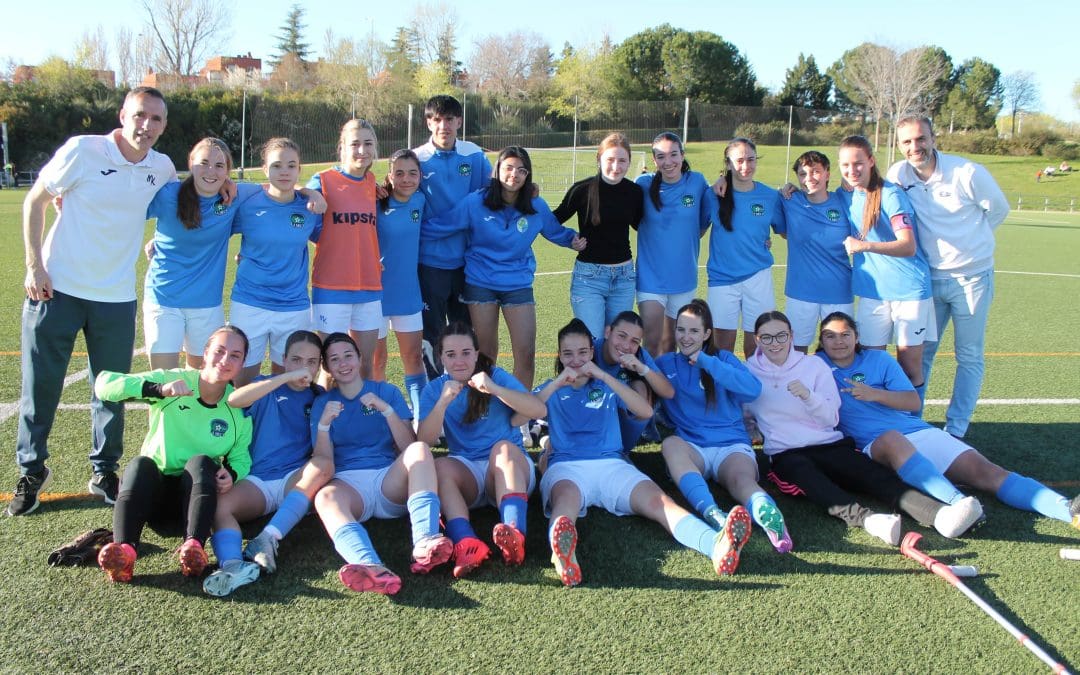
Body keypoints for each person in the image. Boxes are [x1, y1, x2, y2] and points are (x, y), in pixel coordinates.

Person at [10, 86, 177, 517]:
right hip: (56, 288)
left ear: (163, 125)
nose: (147, 126)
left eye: (156, 119)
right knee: (40, 386)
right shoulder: (83, 151)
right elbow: (35, 201)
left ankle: (104, 470)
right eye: (140, 115)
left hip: (116, 297)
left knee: (112, 391)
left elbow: (181, 205)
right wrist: (34, 267)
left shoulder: (161, 167)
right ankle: (32, 470)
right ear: (123, 114)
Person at [536, 318, 752, 586]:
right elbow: (526, 410)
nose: (576, 360)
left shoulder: (607, 384)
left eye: (583, 352)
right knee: (565, 501)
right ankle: (562, 555)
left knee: (660, 503)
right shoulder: (549, 387)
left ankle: (715, 546)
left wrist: (603, 375)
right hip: (567, 466)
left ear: (592, 352)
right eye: (568, 354)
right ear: (559, 355)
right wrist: (558, 382)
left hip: (612, 465)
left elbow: (645, 411)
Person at [817, 312, 1079, 529]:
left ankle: (1067, 510)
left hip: (918, 432)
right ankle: (960, 505)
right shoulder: (814, 366)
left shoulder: (878, 359)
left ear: (856, 337)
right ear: (821, 340)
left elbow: (912, 402)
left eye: (845, 334)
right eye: (830, 336)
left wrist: (875, 394)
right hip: (877, 444)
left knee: (988, 473)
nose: (838, 341)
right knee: (892, 439)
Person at [745, 311, 984, 544]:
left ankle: (940, 515)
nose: (774, 343)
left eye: (781, 336)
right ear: (757, 339)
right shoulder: (747, 372)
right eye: (766, 337)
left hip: (829, 443)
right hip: (786, 454)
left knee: (876, 477)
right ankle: (869, 521)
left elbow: (830, 419)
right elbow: (742, 413)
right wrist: (751, 428)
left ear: (792, 336)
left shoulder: (814, 366)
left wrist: (809, 397)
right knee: (816, 483)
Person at [94, 326, 253, 583]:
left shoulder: (237, 409)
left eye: (235, 355)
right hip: (152, 499)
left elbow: (241, 458)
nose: (225, 360)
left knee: (202, 462)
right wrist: (158, 389)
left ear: (243, 363)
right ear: (205, 352)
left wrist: (232, 474)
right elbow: (104, 385)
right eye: (219, 351)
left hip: (194, 505)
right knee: (140, 465)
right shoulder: (174, 379)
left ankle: (194, 548)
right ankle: (125, 552)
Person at [886, 116, 1010, 438]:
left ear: (933, 138)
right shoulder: (898, 174)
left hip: (972, 279)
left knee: (968, 355)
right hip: (928, 280)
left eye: (921, 139)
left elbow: (998, 210)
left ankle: (956, 429)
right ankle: (914, 422)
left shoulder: (966, 173)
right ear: (900, 146)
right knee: (921, 354)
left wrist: (972, 244)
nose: (915, 147)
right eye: (907, 142)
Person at [310, 333, 452, 595]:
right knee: (324, 497)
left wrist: (386, 410)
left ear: (360, 358)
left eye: (348, 356)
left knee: (420, 450)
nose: (343, 364)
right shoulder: (322, 403)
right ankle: (369, 564)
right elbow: (323, 460)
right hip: (349, 485)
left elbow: (408, 445)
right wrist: (323, 425)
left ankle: (425, 541)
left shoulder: (385, 391)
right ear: (327, 367)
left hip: (388, 480)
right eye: (334, 359)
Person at [440, 146, 584, 399]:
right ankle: (483, 409)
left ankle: (521, 416)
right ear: (497, 171)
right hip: (480, 283)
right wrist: (405, 235)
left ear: (527, 175)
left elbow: (555, 231)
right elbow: (443, 225)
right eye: (508, 168)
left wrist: (573, 240)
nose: (514, 175)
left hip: (517, 284)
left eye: (521, 170)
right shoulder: (476, 201)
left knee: (525, 352)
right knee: (485, 353)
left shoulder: (535, 204)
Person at [657, 299, 792, 553]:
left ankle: (770, 518)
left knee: (742, 481)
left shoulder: (724, 359)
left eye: (694, 331)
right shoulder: (666, 364)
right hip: (692, 448)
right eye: (681, 330)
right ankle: (714, 515)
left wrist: (706, 362)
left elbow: (752, 390)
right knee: (670, 444)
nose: (686, 337)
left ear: (707, 333)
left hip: (731, 447)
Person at [203, 330, 331, 597]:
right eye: (296, 360)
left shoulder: (320, 396)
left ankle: (267, 538)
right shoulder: (266, 385)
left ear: (319, 366)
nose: (303, 368)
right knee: (220, 505)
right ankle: (232, 564)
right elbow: (234, 399)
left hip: (295, 480)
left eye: (311, 362)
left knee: (322, 467)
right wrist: (285, 378)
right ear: (284, 359)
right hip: (257, 482)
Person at [417, 322, 547, 577]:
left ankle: (514, 532)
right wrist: (442, 403)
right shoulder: (435, 389)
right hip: (469, 474)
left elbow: (539, 410)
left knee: (503, 449)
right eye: (451, 355)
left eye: (466, 352)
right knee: (439, 465)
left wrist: (495, 390)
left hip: (510, 470)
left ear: (476, 354)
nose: (459, 361)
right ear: (440, 357)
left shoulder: (494, 375)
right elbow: (424, 441)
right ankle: (466, 541)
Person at [836, 135, 933, 404]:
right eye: (845, 165)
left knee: (909, 367)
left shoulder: (890, 194)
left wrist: (864, 246)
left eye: (857, 163)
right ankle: (876, 424)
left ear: (870, 161)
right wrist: (791, 189)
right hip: (872, 292)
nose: (851, 170)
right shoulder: (847, 195)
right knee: (870, 364)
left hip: (909, 291)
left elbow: (908, 245)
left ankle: (915, 424)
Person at [143, 138, 247, 370]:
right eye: (204, 163)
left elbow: (279, 191)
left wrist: (311, 194)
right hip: (164, 300)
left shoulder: (234, 198)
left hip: (207, 305)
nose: (211, 171)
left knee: (204, 381)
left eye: (219, 166)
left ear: (228, 171)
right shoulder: (167, 195)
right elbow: (124, 209)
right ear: (191, 163)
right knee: (163, 381)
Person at [230, 138, 322, 386]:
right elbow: (213, 230)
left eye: (291, 166)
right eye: (277, 165)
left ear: (299, 170)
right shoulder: (247, 204)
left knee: (288, 383)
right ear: (264, 170)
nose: (284, 171)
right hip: (250, 303)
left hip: (293, 307)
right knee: (243, 382)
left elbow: (331, 241)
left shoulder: (309, 207)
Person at [414, 95, 493, 379]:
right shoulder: (417, 159)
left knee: (464, 334)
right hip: (430, 263)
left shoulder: (473, 155)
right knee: (432, 335)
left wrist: (526, 191)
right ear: (428, 123)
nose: (443, 125)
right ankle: (437, 397)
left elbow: (491, 194)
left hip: (467, 264)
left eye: (449, 119)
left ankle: (469, 397)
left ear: (459, 121)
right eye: (436, 119)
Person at [307, 119, 383, 380]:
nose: (362, 150)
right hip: (331, 287)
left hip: (369, 286)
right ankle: (324, 421)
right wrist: (308, 192)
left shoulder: (373, 183)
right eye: (355, 144)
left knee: (364, 366)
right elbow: (288, 195)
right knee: (332, 369)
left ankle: (361, 420)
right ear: (342, 147)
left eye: (368, 144)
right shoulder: (324, 180)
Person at [552, 132, 644, 338]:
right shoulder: (581, 190)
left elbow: (643, 226)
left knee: (617, 344)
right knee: (592, 343)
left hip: (624, 278)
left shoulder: (635, 193)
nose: (616, 166)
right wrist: (569, 239)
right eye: (610, 159)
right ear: (599, 159)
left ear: (629, 162)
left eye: (622, 161)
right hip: (589, 279)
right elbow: (551, 221)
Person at [634, 132, 715, 357]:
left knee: (672, 343)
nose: (668, 162)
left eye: (673, 154)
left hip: (683, 276)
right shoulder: (643, 184)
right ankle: (649, 391)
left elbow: (706, 220)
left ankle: (668, 390)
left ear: (682, 154)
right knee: (651, 339)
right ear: (654, 161)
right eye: (661, 156)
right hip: (650, 278)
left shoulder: (697, 182)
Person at [708, 138, 785, 358]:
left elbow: (784, 230)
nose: (746, 166)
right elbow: (696, 229)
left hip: (758, 277)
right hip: (722, 279)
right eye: (739, 160)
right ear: (728, 163)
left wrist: (792, 190)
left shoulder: (770, 196)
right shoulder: (713, 194)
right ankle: (721, 392)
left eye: (751, 159)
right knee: (721, 349)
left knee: (758, 347)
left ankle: (756, 392)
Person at [777, 151, 854, 352]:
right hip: (800, 292)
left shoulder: (845, 199)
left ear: (828, 173)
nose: (809, 179)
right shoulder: (789, 199)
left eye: (816, 172)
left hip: (839, 291)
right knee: (796, 352)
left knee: (839, 351)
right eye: (802, 174)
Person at [373, 149, 429, 417]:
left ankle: (421, 417)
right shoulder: (374, 203)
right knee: (376, 362)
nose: (406, 179)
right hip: (374, 295)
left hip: (408, 294)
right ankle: (378, 418)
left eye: (412, 173)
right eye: (399, 173)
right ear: (389, 176)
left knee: (414, 358)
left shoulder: (420, 200)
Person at [588, 311, 674, 453]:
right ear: (608, 332)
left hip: (621, 412)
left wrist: (642, 368)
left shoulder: (638, 355)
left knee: (642, 389)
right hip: (593, 410)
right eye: (621, 336)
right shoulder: (591, 349)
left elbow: (669, 392)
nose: (626, 346)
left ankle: (622, 451)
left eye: (634, 341)